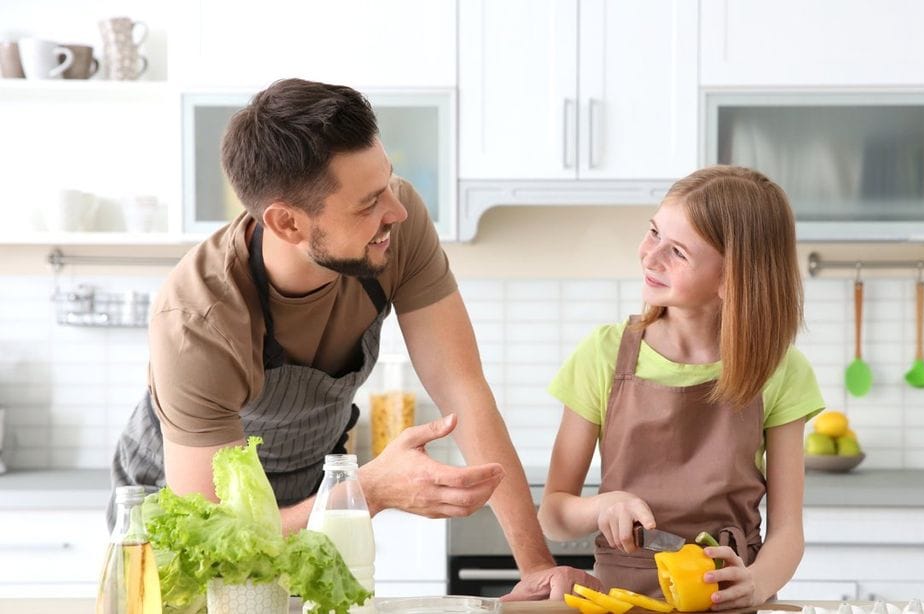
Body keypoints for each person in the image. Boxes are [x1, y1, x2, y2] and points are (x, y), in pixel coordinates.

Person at [109, 78, 595, 599]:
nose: (397, 211)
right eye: (368, 204)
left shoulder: (394, 227)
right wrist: (368, 488)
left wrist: (535, 566)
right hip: (184, 512)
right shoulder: (197, 319)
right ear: (288, 224)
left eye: (388, 182)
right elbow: (215, 536)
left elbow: (463, 387)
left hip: (315, 484)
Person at [538, 165, 825, 608]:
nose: (650, 256)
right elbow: (554, 514)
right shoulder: (603, 355)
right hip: (622, 599)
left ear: (732, 279)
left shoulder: (781, 370)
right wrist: (603, 505)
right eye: (653, 233)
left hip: (729, 602)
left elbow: (788, 532)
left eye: (677, 252)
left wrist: (757, 583)